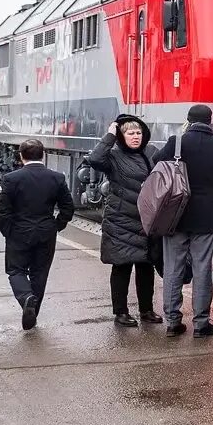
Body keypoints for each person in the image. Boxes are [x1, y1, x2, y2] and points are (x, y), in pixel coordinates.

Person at [152, 105, 213, 338]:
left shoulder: (176, 143)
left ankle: (173, 322)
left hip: (175, 215)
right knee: (202, 270)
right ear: (210, 122)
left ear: (188, 120)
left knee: (173, 268)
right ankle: (201, 324)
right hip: (205, 218)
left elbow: (156, 165)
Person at [86, 114, 162, 327]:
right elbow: (94, 159)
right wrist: (110, 135)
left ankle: (146, 310)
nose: (135, 136)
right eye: (130, 133)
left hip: (146, 219)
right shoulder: (114, 155)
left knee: (146, 267)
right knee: (122, 266)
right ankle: (120, 312)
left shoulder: (151, 152)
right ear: (121, 135)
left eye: (138, 132)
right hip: (120, 221)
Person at [0, 139, 74, 330]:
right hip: (46, 231)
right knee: (40, 273)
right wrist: (56, 226)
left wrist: (8, 231)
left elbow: (3, 210)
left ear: (21, 156)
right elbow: (68, 207)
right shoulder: (57, 178)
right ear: (43, 154)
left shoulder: (12, 178)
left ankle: (26, 298)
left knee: (15, 270)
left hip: (19, 232)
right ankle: (33, 312)